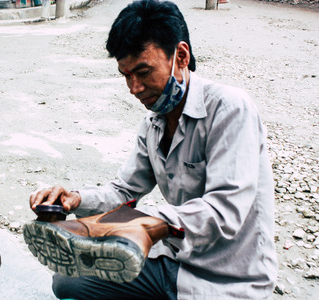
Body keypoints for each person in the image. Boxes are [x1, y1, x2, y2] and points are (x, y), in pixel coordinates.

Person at [29, 0, 277, 299]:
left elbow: (224, 212)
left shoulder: (230, 108)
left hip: (229, 279)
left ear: (181, 56)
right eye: (126, 75)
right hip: (177, 261)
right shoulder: (154, 122)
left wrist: (137, 223)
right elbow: (124, 191)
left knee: (111, 236)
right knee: (68, 281)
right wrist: (75, 199)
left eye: (143, 72)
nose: (134, 88)